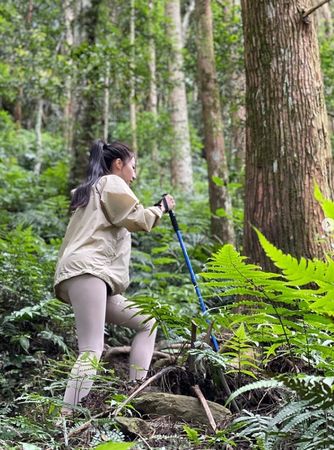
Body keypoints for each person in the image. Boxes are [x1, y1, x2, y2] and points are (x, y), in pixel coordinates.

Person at [53, 139, 175, 415]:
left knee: (148, 322)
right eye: (133, 166)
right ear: (118, 164)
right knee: (91, 348)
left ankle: (135, 391)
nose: (135, 174)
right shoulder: (110, 182)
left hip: (87, 276)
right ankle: (66, 417)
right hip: (90, 272)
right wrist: (161, 208)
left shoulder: (90, 192)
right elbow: (138, 219)